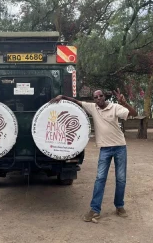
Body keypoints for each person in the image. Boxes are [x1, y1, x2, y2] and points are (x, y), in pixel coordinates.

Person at [51, 88, 137, 222]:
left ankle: (119, 206)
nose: (98, 99)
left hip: (120, 147)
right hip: (104, 149)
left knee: (121, 179)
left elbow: (133, 114)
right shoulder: (93, 108)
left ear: (105, 96)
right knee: (100, 179)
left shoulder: (115, 107)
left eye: (100, 96)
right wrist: (62, 96)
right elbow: (77, 102)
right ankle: (95, 209)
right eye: (95, 97)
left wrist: (125, 103)